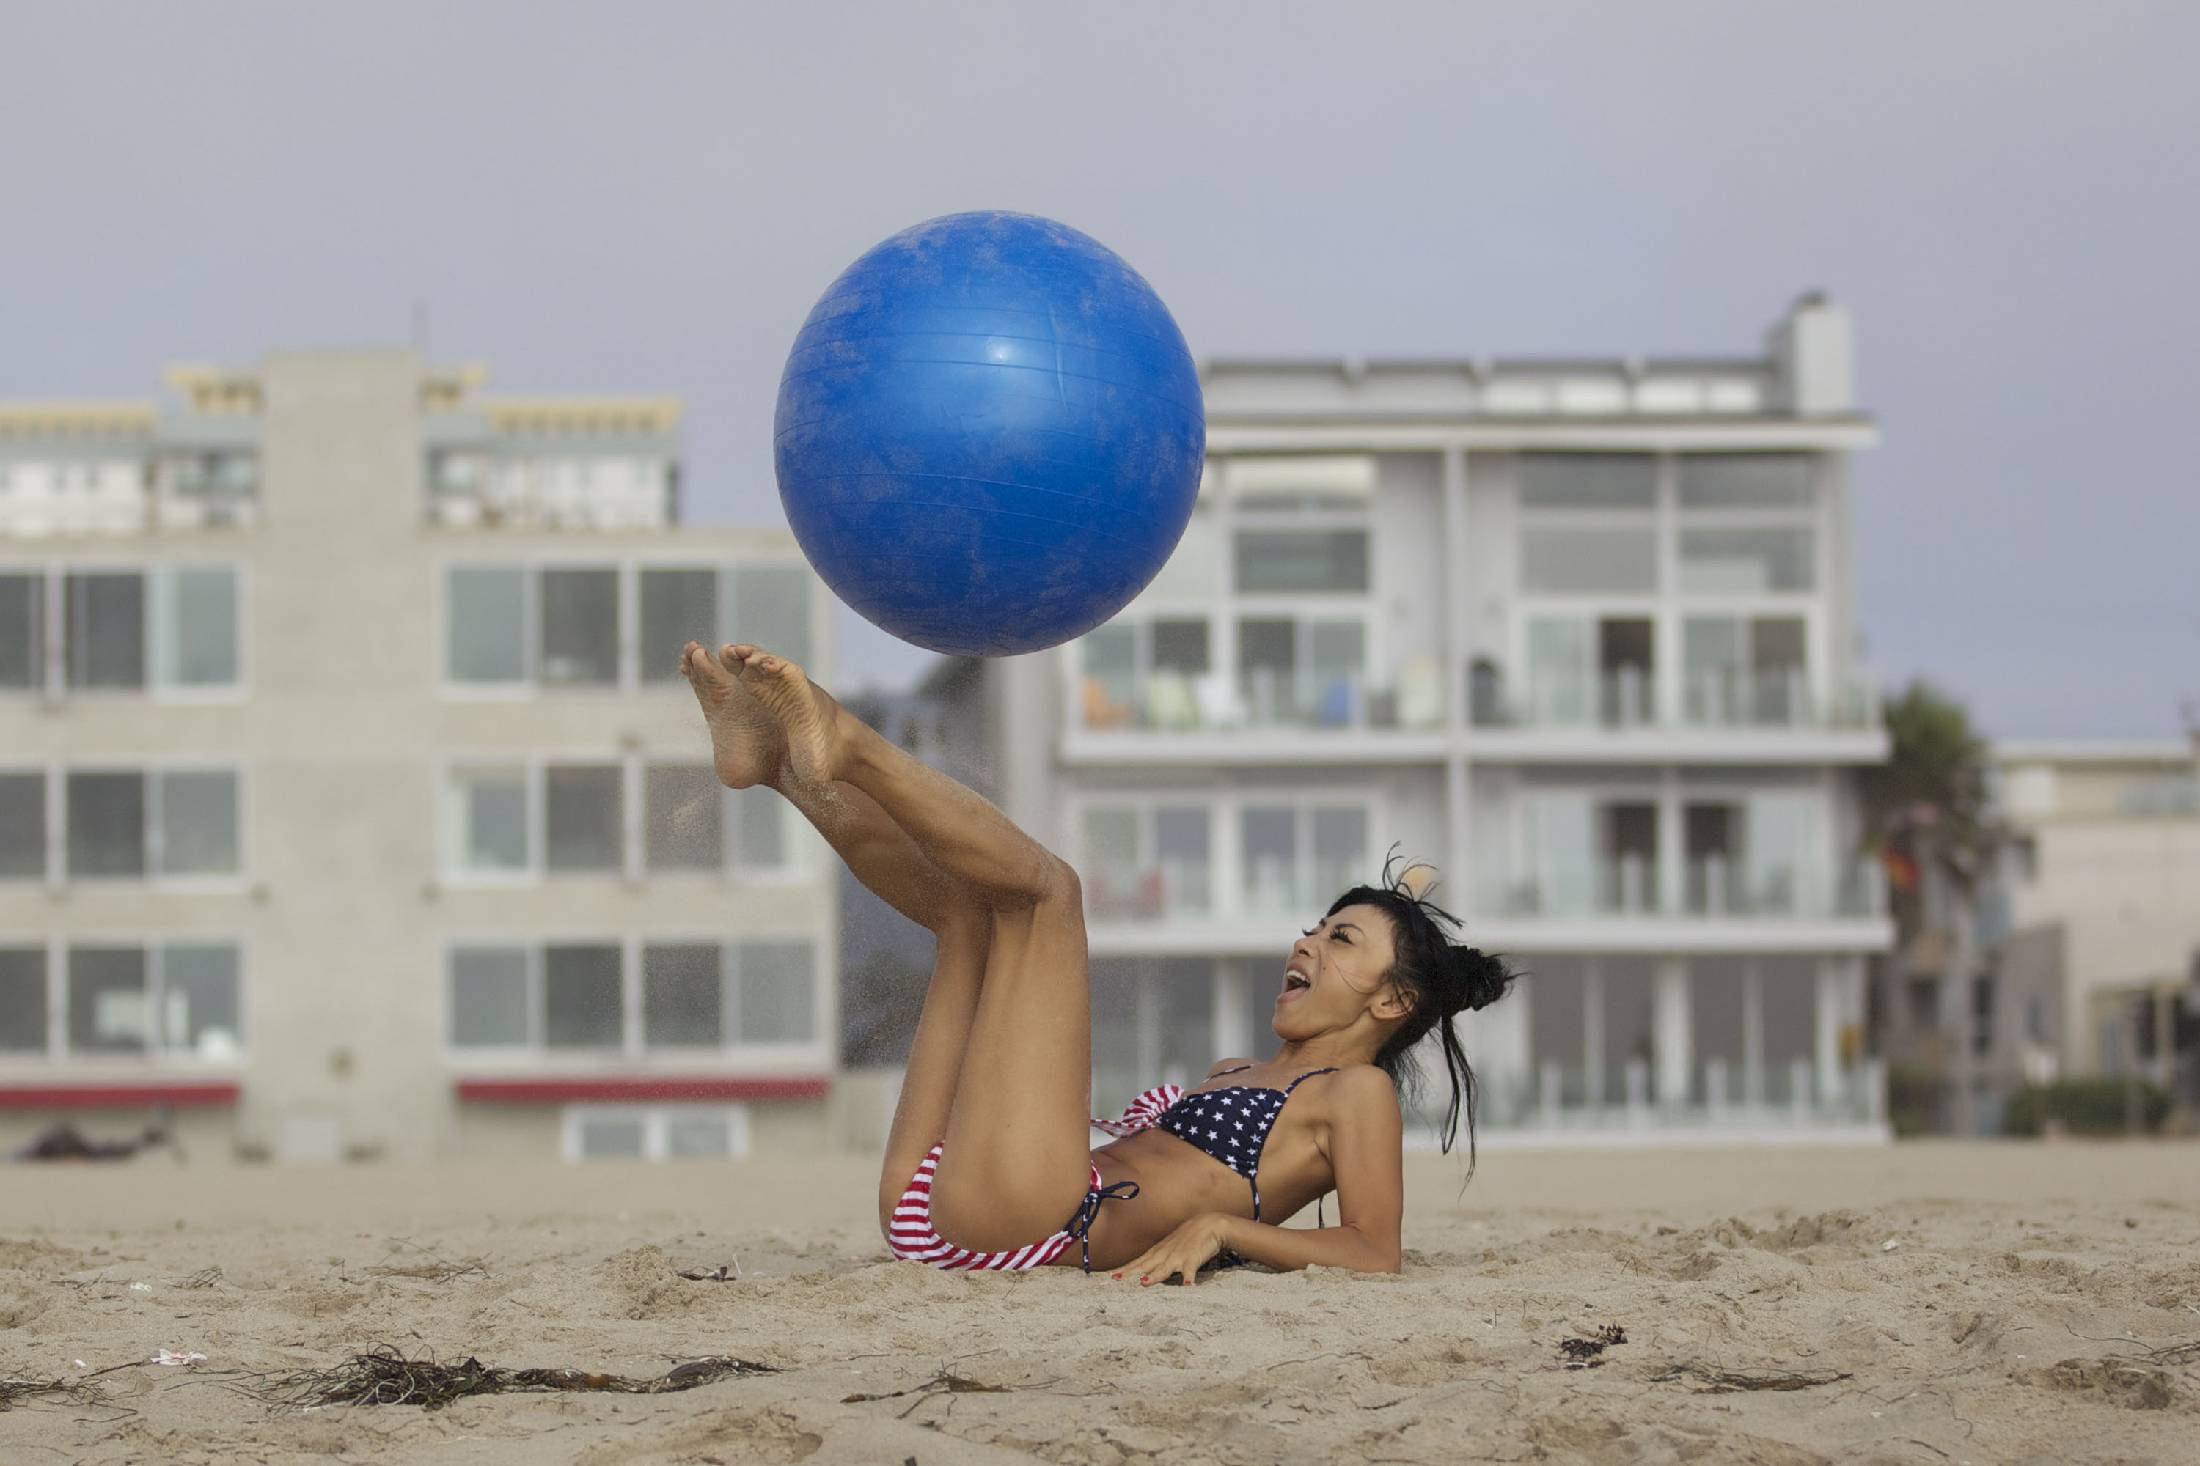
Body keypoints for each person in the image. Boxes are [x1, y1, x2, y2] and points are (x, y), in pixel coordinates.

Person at [680, 641, 1516, 1284]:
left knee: (1050, 894)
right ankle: (782, 767)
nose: (1306, 944)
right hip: (962, 1193)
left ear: (1391, 1002)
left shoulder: (1355, 1092)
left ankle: (852, 747)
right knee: (964, 915)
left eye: (1341, 942)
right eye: (1316, 929)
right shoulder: (1240, 1071)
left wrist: (1225, 1231)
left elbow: (1374, 1251)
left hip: (1037, 1216)